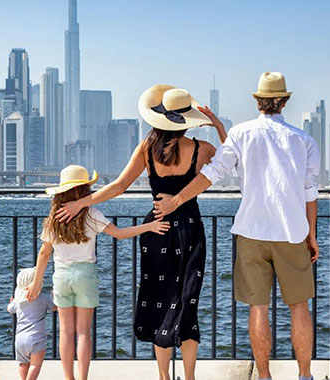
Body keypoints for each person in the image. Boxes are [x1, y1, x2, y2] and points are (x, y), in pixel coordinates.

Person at [152, 72, 319, 380]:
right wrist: (312, 235)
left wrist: (176, 201)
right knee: (299, 306)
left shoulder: (241, 134)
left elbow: (212, 173)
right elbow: (310, 192)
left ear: (257, 102)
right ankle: (304, 376)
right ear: (284, 102)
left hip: (251, 232)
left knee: (258, 307)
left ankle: (264, 376)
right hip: (292, 232)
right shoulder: (304, 140)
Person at [54, 86, 226, 380]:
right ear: (188, 122)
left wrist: (81, 203)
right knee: (187, 304)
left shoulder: (148, 148)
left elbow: (119, 185)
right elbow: (232, 157)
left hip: (157, 228)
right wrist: (218, 125)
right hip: (189, 230)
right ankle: (189, 377)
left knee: (161, 301)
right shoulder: (202, 149)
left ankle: (163, 377)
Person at [25, 164, 171, 380]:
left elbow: (44, 253)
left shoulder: (54, 218)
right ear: (83, 190)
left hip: (62, 276)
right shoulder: (92, 214)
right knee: (83, 332)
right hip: (86, 275)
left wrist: (37, 282)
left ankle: (69, 378)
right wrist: (149, 226)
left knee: (65, 332)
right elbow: (119, 234)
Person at [7, 267, 56, 380]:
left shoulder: (18, 300)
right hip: (36, 337)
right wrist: (54, 296)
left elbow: (10, 309)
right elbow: (54, 307)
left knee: (23, 364)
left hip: (20, 339)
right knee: (35, 365)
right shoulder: (43, 298)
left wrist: (11, 302)